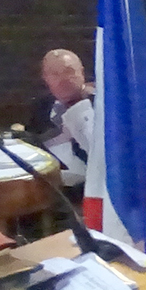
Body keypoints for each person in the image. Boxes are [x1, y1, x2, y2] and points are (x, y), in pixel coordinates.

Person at [28, 47, 93, 188]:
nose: (63, 80)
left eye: (69, 71)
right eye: (54, 74)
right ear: (45, 78)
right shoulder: (42, 107)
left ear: (82, 73)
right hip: (55, 186)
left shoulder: (101, 103)